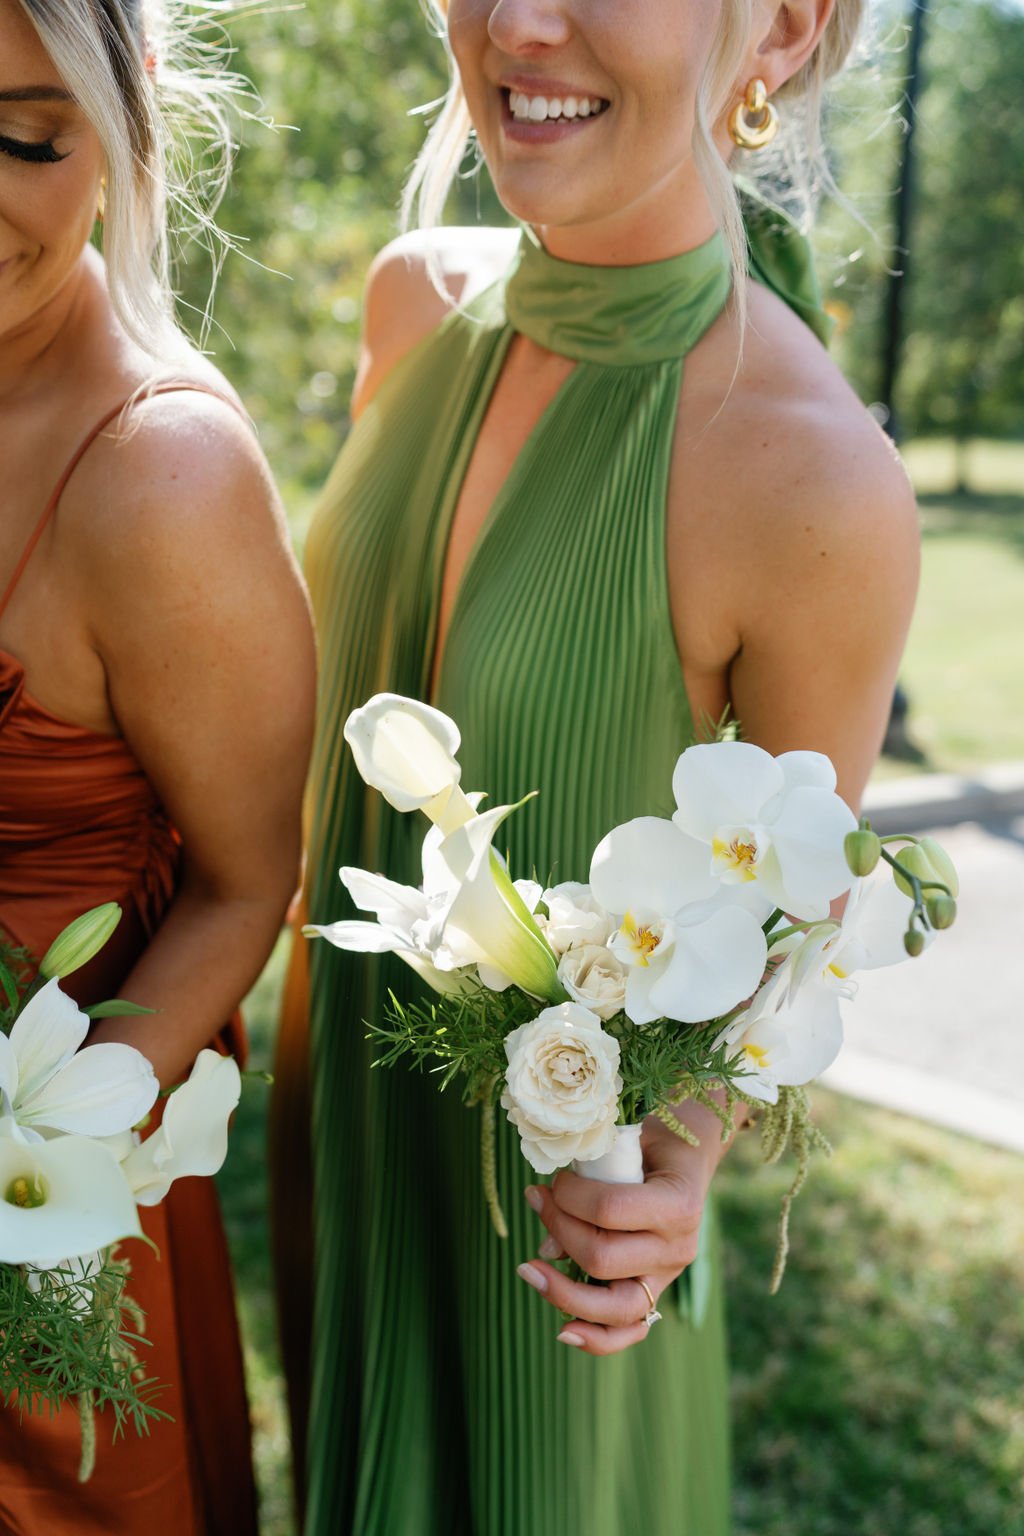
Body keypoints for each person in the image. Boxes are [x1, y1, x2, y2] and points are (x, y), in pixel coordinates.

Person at [272, 0, 919, 1529]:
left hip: (546, 1260)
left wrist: (674, 1179)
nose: (516, 21)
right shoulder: (412, 306)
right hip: (346, 1165)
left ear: (786, 26)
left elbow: (783, 940)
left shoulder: (811, 476)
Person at [0, 1, 315, 1531]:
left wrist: (41, 1149)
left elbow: (252, 879)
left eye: (21, 137)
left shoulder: (162, 475)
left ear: (121, 132)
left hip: (50, 1227)